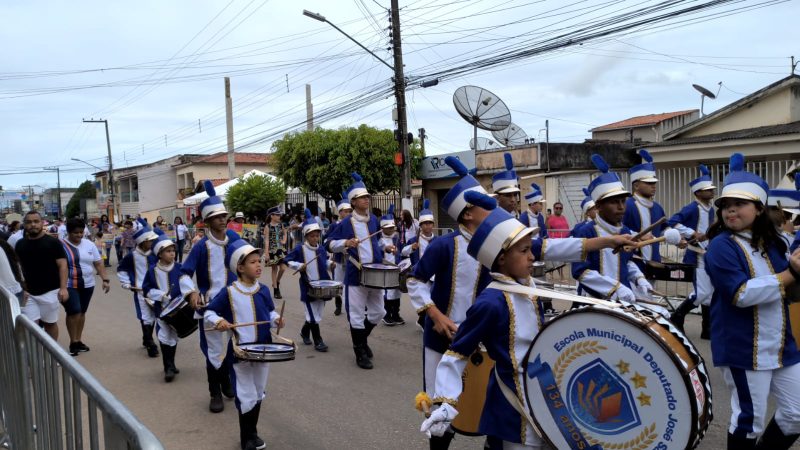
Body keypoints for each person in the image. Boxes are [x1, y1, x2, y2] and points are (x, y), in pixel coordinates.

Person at [420, 191, 637, 449]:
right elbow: (457, 353)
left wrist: (608, 241)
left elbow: (550, 249)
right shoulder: (490, 302)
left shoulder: (527, 286)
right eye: (525, 251)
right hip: (512, 402)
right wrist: (446, 402)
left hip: (538, 393)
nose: (533, 256)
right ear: (501, 258)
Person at [704, 153, 800, 450]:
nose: (731, 211)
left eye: (739, 205)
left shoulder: (774, 243)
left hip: (783, 345)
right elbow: (740, 294)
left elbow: (792, 289)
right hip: (742, 346)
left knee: (797, 414)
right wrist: (791, 273)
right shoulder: (720, 247)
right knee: (750, 420)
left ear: (759, 209)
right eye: (726, 207)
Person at [204, 239, 284, 450]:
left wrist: (276, 319)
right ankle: (246, 438)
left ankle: (253, 433)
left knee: (258, 392)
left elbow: (271, 311)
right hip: (241, 353)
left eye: (259, 261)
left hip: (264, 350)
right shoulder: (229, 293)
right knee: (246, 395)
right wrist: (219, 321)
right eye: (252, 262)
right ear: (239, 268)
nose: (259, 265)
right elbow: (209, 311)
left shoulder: (264, 290)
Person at [572, 154, 672, 305]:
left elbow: (627, 262)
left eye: (623, 201)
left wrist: (639, 279)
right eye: (614, 202)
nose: (621, 207)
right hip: (594, 302)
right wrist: (614, 288)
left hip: (622, 301)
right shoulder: (585, 232)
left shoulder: (624, 229)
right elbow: (580, 272)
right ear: (598, 206)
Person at [181, 180, 238, 413]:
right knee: (214, 350)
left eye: (224, 215)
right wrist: (191, 291)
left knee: (235, 346)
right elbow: (184, 273)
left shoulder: (235, 240)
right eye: (217, 217)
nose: (222, 220)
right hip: (210, 305)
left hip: (235, 302)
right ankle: (215, 391)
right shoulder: (200, 246)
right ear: (207, 221)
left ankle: (226, 379)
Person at [327, 172, 394, 370]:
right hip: (356, 274)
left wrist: (385, 247)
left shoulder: (373, 219)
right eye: (363, 197)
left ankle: (361, 340)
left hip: (375, 273)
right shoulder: (346, 223)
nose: (367, 199)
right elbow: (329, 244)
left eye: (367, 197)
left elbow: (375, 242)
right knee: (356, 314)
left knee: (378, 312)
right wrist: (345, 242)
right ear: (354, 202)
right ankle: (360, 352)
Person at [667, 164, 716, 337]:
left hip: (708, 254)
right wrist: (692, 233)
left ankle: (707, 329)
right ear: (697, 193)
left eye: (712, 189)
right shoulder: (691, 208)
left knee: (710, 293)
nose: (712, 192)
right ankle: (677, 315)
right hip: (696, 254)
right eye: (707, 190)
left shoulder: (710, 209)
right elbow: (672, 222)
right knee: (702, 292)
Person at [143, 231, 192, 382]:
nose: (172, 254)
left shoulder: (179, 268)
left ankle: (172, 363)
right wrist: (161, 295)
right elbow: (146, 289)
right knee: (164, 336)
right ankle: (167, 367)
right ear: (159, 253)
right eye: (168, 251)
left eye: (173, 251)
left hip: (178, 309)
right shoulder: (152, 270)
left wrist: (190, 294)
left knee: (174, 335)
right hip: (162, 310)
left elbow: (186, 283)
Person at [284, 209, 334, 352]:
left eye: (317, 235)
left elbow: (325, 262)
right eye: (312, 236)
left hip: (322, 285)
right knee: (313, 315)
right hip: (308, 286)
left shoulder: (321, 250)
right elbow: (287, 260)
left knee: (317, 314)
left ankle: (305, 332)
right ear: (306, 236)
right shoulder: (300, 249)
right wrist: (299, 265)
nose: (315, 238)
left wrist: (331, 264)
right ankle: (318, 341)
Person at [14, 211, 68, 340]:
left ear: (42, 223)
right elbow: (17, 268)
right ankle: (36, 358)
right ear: (24, 224)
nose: (33, 224)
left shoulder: (53, 243)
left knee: (50, 324)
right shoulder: (20, 244)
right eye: (29, 222)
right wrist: (21, 289)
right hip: (28, 294)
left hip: (50, 291)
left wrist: (63, 288)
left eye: (36, 221)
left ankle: (50, 355)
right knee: (32, 327)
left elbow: (63, 265)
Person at [62, 219, 110, 355]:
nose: (79, 235)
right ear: (68, 232)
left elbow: (98, 263)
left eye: (81, 232)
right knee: (74, 311)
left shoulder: (89, 244)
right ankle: (73, 343)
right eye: (75, 233)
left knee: (82, 312)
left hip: (88, 284)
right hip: (69, 284)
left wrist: (105, 279)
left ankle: (78, 340)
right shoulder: (61, 245)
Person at [117, 218, 160, 357]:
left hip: (155, 290)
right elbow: (121, 270)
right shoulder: (131, 256)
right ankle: (150, 343)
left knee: (153, 315)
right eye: (150, 240)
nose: (153, 243)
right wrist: (127, 284)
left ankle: (146, 338)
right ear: (142, 242)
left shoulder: (155, 254)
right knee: (145, 316)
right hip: (140, 291)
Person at [623, 149, 668, 271]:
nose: (653, 186)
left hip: (653, 262)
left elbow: (663, 230)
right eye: (648, 183)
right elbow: (616, 230)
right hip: (632, 262)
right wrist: (636, 236)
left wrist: (674, 236)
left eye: (654, 182)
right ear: (636, 185)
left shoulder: (658, 207)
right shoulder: (627, 205)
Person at [325, 196, 352, 316]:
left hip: (351, 258)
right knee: (338, 283)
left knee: (350, 283)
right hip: (339, 259)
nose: (348, 214)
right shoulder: (334, 225)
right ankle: (338, 305)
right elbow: (327, 241)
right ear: (340, 212)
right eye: (346, 211)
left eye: (350, 211)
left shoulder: (353, 224)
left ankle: (350, 305)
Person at [378, 205, 403, 326]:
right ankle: (387, 314)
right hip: (385, 270)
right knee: (388, 293)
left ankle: (396, 314)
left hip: (396, 269)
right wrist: (385, 248)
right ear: (382, 228)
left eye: (392, 227)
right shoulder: (379, 240)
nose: (391, 229)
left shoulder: (397, 238)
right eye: (388, 228)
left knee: (397, 292)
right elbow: (379, 251)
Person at [264, 207, 288, 299]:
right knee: (274, 269)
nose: (279, 216)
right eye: (277, 215)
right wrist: (266, 254)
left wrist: (284, 241)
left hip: (280, 249)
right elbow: (266, 241)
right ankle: (276, 290)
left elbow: (285, 233)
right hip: (272, 250)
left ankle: (277, 282)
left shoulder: (281, 225)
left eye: (279, 215)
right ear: (272, 216)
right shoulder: (267, 227)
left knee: (283, 268)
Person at [0, 238, 25, 304]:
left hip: (8, 295)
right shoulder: (3, 243)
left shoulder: (3, 244)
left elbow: (15, 263)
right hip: (15, 291)